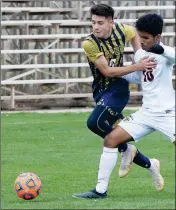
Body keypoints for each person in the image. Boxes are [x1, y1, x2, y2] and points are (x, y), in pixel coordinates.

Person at [73, 13, 175, 199]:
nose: (141, 42)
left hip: (169, 114)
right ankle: (100, 191)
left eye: (146, 38)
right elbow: (137, 77)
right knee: (111, 140)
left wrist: (159, 49)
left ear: (157, 37)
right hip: (146, 113)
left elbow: (173, 56)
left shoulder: (167, 54)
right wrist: (114, 71)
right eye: (140, 37)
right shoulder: (141, 56)